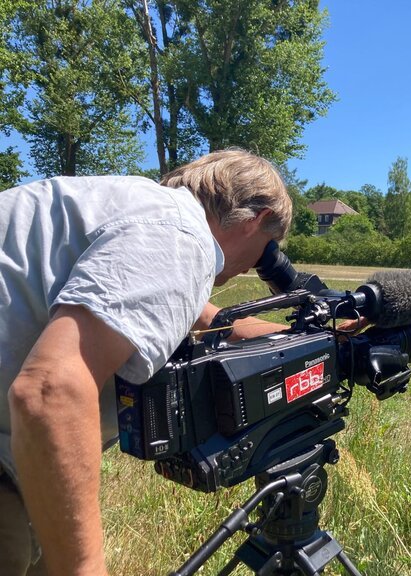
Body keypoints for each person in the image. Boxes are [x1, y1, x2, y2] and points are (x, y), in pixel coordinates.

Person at [0, 148, 292, 575]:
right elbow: (51, 391)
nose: (253, 268)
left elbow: (212, 322)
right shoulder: (178, 236)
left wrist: (323, 335)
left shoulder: (137, 207)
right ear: (255, 220)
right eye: (266, 250)